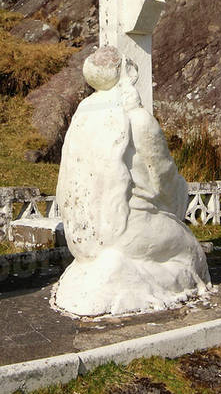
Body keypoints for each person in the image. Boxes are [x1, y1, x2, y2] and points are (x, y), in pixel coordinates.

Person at [52, 46, 212, 316]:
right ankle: (127, 275)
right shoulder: (138, 120)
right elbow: (165, 180)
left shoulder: (82, 116)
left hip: (83, 238)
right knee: (192, 251)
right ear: (128, 74)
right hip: (127, 228)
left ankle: (111, 271)